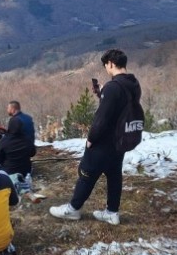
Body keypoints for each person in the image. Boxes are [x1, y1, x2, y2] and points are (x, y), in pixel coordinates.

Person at [49, 49, 142, 226]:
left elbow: (102, 118)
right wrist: (102, 95)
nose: (106, 69)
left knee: (87, 173)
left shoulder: (113, 87)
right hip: (121, 140)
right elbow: (120, 107)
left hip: (104, 141)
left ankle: (73, 209)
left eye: (106, 65)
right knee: (114, 175)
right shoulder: (133, 84)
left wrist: (91, 138)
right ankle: (112, 212)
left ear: (111, 64)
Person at [0, 114, 36, 179]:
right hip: (25, 172)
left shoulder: (5, 140)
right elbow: (33, 153)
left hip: (8, 173)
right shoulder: (27, 139)